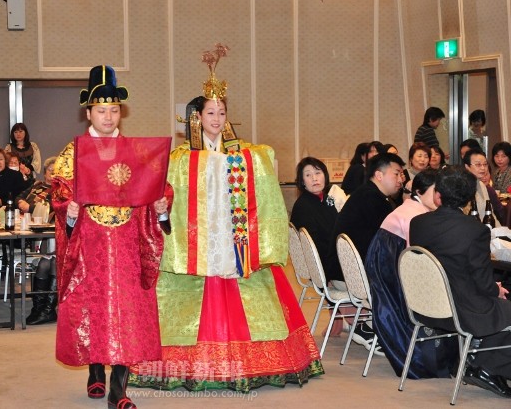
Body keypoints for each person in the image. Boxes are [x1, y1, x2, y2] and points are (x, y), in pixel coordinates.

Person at [130, 46, 323, 394]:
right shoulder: (182, 156)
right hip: (201, 238)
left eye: (221, 113)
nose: (216, 119)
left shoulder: (243, 153)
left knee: (251, 296)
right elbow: (171, 186)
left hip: (236, 238)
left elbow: (263, 160)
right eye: (210, 113)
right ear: (197, 117)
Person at [52, 65, 168, 409]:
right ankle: (95, 371)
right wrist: (68, 208)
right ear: (88, 112)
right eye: (101, 110)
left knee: (126, 312)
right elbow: (59, 193)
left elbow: (158, 186)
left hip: (128, 244)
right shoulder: (72, 154)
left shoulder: (136, 151)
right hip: (89, 244)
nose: (108, 117)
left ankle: (119, 389)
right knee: (93, 309)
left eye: (114, 110)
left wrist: (162, 204)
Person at [410, 166, 511, 399]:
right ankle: (485, 366)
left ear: (438, 195)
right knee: (504, 304)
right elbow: (483, 282)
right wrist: (495, 289)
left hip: (425, 306)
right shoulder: (475, 230)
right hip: (461, 309)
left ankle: (477, 363)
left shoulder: (418, 223)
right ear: (469, 199)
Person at [365, 169, 459, 378]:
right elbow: (418, 262)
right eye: (436, 191)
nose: (440, 197)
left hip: (387, 267)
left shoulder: (413, 208)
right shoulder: (417, 217)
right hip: (392, 276)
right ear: (419, 191)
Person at [326, 152, 404, 351]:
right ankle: (382, 331)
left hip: (341, 271)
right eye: (396, 174)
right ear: (379, 175)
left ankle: (368, 326)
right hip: (352, 276)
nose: (401, 179)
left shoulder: (366, 194)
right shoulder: (374, 200)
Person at [290, 157, 347, 336]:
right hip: (322, 266)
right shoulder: (304, 206)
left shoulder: (325, 199)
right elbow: (315, 246)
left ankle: (340, 321)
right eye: (308, 175)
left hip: (330, 261)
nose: (314, 178)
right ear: (302, 181)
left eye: (318, 173)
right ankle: (360, 324)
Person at [17, 157, 57, 326]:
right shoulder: (37, 185)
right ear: (45, 173)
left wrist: (30, 207)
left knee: (50, 263)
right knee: (44, 263)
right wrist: (21, 202)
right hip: (42, 237)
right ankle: (39, 308)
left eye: (57, 171)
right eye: (51, 171)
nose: (53, 174)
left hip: (57, 238)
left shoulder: (61, 191)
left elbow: (52, 208)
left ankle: (48, 310)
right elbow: (19, 197)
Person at [463, 149, 501, 226]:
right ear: (467, 167)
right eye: (478, 165)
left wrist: (499, 230)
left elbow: (490, 213)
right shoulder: (462, 186)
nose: (483, 168)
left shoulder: (482, 185)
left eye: (485, 164)